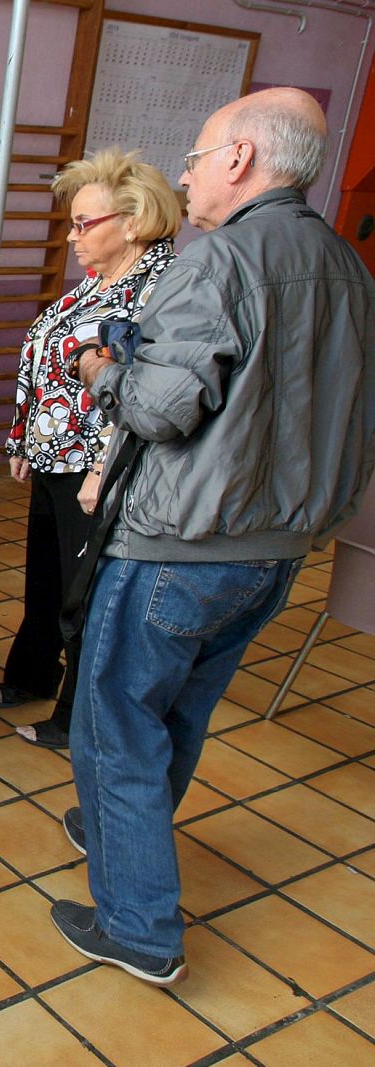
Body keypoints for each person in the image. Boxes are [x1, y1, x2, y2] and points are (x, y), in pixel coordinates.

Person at [53, 88, 375, 986]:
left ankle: (140, 927)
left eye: (195, 156)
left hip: (181, 546)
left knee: (116, 724)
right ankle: (121, 830)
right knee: (180, 712)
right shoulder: (350, 271)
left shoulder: (220, 263)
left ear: (238, 159)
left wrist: (105, 370)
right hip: (276, 554)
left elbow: (161, 409)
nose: (186, 174)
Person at [0, 149, 181, 750]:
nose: (72, 236)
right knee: (46, 579)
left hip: (96, 470)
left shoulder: (162, 289)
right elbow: (41, 354)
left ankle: (75, 717)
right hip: (53, 459)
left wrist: (100, 467)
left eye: (83, 224)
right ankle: (32, 673)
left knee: (85, 594)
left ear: (133, 222)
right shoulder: (98, 284)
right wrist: (22, 435)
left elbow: (148, 391)